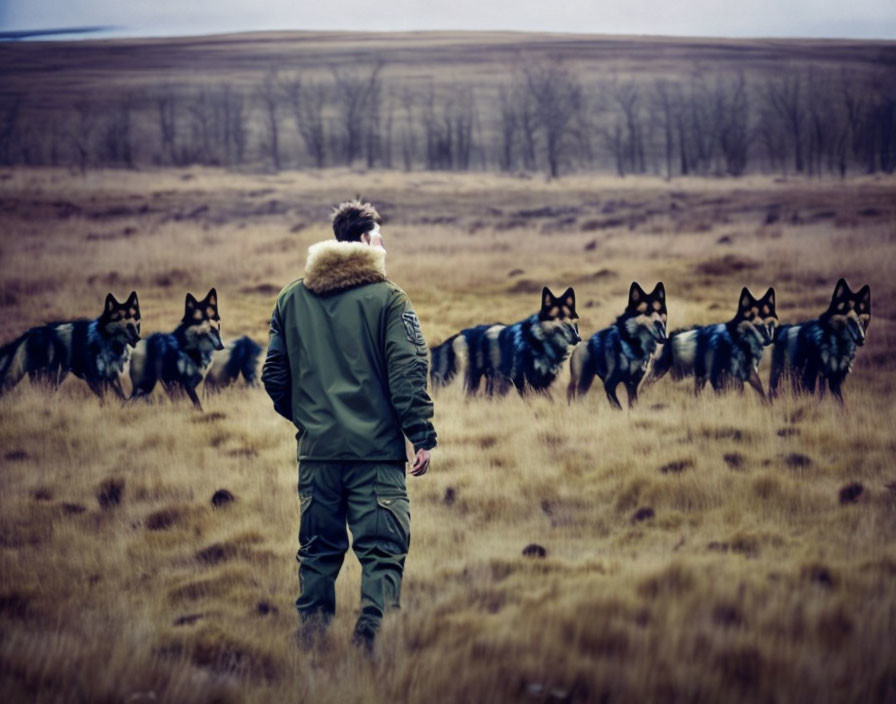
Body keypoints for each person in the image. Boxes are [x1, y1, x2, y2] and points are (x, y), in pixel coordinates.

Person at [262, 199, 437, 651]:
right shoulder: (389, 297)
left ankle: (311, 640)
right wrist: (420, 434)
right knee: (381, 551)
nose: (384, 246)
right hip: (376, 456)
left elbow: (274, 376)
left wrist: (311, 422)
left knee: (317, 553)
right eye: (379, 237)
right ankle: (372, 640)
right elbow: (408, 370)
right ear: (362, 241)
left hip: (317, 454)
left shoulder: (290, 297)